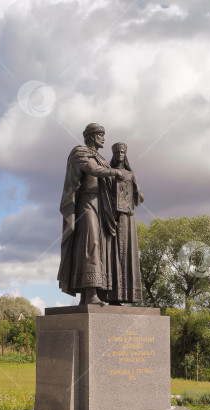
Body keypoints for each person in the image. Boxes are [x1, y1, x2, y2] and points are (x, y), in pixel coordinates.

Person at [57, 123, 123, 305]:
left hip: (102, 205)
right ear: (93, 136)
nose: (104, 139)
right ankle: (90, 292)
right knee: (90, 244)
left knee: (102, 248)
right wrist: (115, 171)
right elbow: (92, 169)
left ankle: (93, 295)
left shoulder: (102, 158)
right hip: (86, 203)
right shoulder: (80, 152)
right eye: (101, 135)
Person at [101, 142, 144, 305]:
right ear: (114, 154)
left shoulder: (131, 174)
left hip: (128, 217)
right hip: (112, 217)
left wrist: (136, 193)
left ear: (125, 155)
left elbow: (139, 196)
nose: (120, 153)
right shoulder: (110, 173)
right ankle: (110, 295)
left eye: (122, 152)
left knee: (127, 253)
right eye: (117, 151)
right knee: (112, 253)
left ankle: (126, 295)